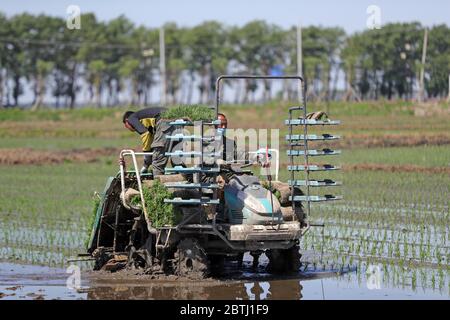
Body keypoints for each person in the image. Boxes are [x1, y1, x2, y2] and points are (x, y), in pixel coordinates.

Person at [123, 107, 175, 176]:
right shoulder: (148, 124)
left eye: (126, 126)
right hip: (174, 117)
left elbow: (145, 134)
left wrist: (146, 159)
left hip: (163, 119)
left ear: (127, 121)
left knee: (157, 160)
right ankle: (184, 177)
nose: (128, 128)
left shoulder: (131, 119)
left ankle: (157, 183)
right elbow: (150, 138)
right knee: (176, 153)